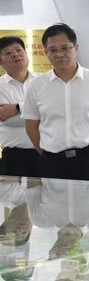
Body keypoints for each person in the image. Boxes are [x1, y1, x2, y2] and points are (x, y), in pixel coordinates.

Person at [22, 23, 89, 182]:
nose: (60, 54)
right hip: (52, 163)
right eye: (53, 50)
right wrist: (45, 151)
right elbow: (31, 126)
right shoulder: (36, 85)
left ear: (76, 48)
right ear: (46, 52)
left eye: (65, 48)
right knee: (53, 199)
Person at [0, 36, 39, 177]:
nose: (15, 55)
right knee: (13, 193)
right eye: (8, 53)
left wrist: (17, 108)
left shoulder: (43, 82)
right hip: (14, 157)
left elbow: (53, 113)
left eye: (18, 50)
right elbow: (7, 120)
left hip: (47, 154)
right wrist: (39, 113)